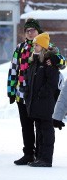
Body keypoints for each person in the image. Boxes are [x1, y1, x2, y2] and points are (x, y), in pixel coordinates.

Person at [7, 18, 65, 165]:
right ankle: (28, 153)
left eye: (33, 30)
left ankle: (41, 155)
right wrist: (11, 90)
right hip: (23, 94)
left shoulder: (48, 47)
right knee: (26, 126)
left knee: (41, 125)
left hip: (40, 95)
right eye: (27, 30)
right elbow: (13, 70)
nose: (30, 32)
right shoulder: (20, 48)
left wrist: (55, 60)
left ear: (38, 31)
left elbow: (62, 62)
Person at [23, 33, 60, 167]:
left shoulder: (49, 62)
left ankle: (46, 159)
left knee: (46, 131)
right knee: (39, 130)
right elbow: (29, 81)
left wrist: (41, 94)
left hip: (45, 103)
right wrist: (28, 95)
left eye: (37, 44)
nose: (34, 46)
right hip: (36, 104)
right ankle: (39, 157)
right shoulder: (35, 62)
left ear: (43, 46)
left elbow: (52, 83)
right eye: (34, 44)